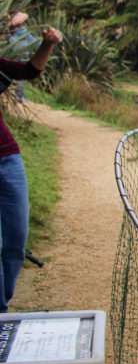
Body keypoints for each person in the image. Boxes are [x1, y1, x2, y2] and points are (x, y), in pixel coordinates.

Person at [0, 25, 63, 312]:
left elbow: (29, 71)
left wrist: (47, 44)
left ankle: (5, 300)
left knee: (15, 240)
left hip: (7, 157)